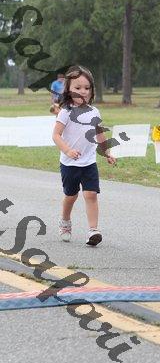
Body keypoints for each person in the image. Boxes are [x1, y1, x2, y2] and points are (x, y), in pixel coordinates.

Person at [52, 65, 116, 246]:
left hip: (89, 162)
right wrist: (68, 150)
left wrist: (107, 152)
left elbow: (100, 134)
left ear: (92, 90)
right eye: (78, 87)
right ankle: (65, 221)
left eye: (87, 88)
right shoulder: (66, 112)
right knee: (71, 196)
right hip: (69, 164)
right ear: (68, 90)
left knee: (91, 194)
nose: (83, 91)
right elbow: (56, 135)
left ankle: (93, 230)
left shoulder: (94, 112)